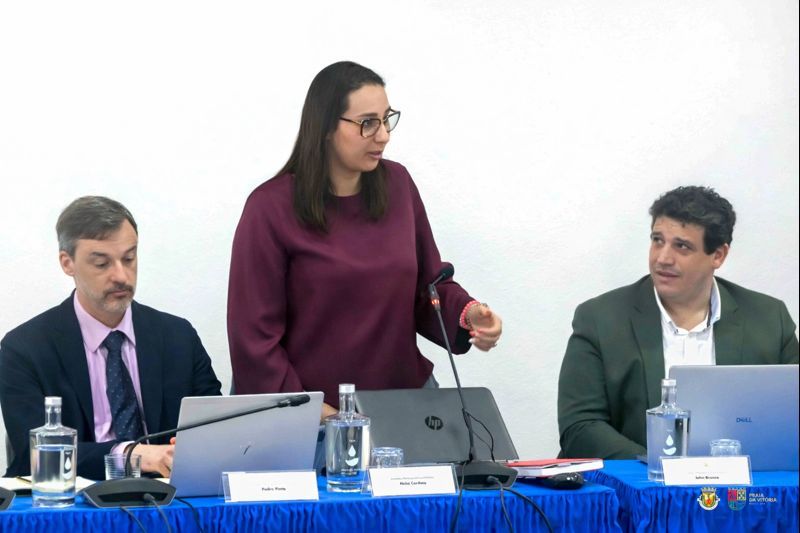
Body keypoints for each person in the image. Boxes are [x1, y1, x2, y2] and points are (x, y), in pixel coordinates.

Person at [227, 61, 502, 420]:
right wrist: (317, 413)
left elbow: (428, 289)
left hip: (403, 401)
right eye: (368, 123)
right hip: (311, 413)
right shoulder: (269, 208)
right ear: (326, 127)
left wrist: (469, 313)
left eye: (387, 119)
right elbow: (252, 339)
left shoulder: (398, 185)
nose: (384, 135)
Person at [557, 186, 799, 459]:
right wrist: (662, 467)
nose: (662, 258)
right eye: (657, 240)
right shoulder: (600, 318)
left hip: (741, 482)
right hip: (637, 482)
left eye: (681, 246)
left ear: (718, 255)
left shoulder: (769, 319)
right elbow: (580, 427)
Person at [0, 196, 221, 479]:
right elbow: (32, 453)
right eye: (102, 264)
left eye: (129, 259)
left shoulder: (178, 337)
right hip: (75, 498)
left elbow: (216, 428)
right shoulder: (25, 348)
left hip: (169, 495)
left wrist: (193, 447)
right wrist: (132, 455)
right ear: (67, 263)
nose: (121, 276)